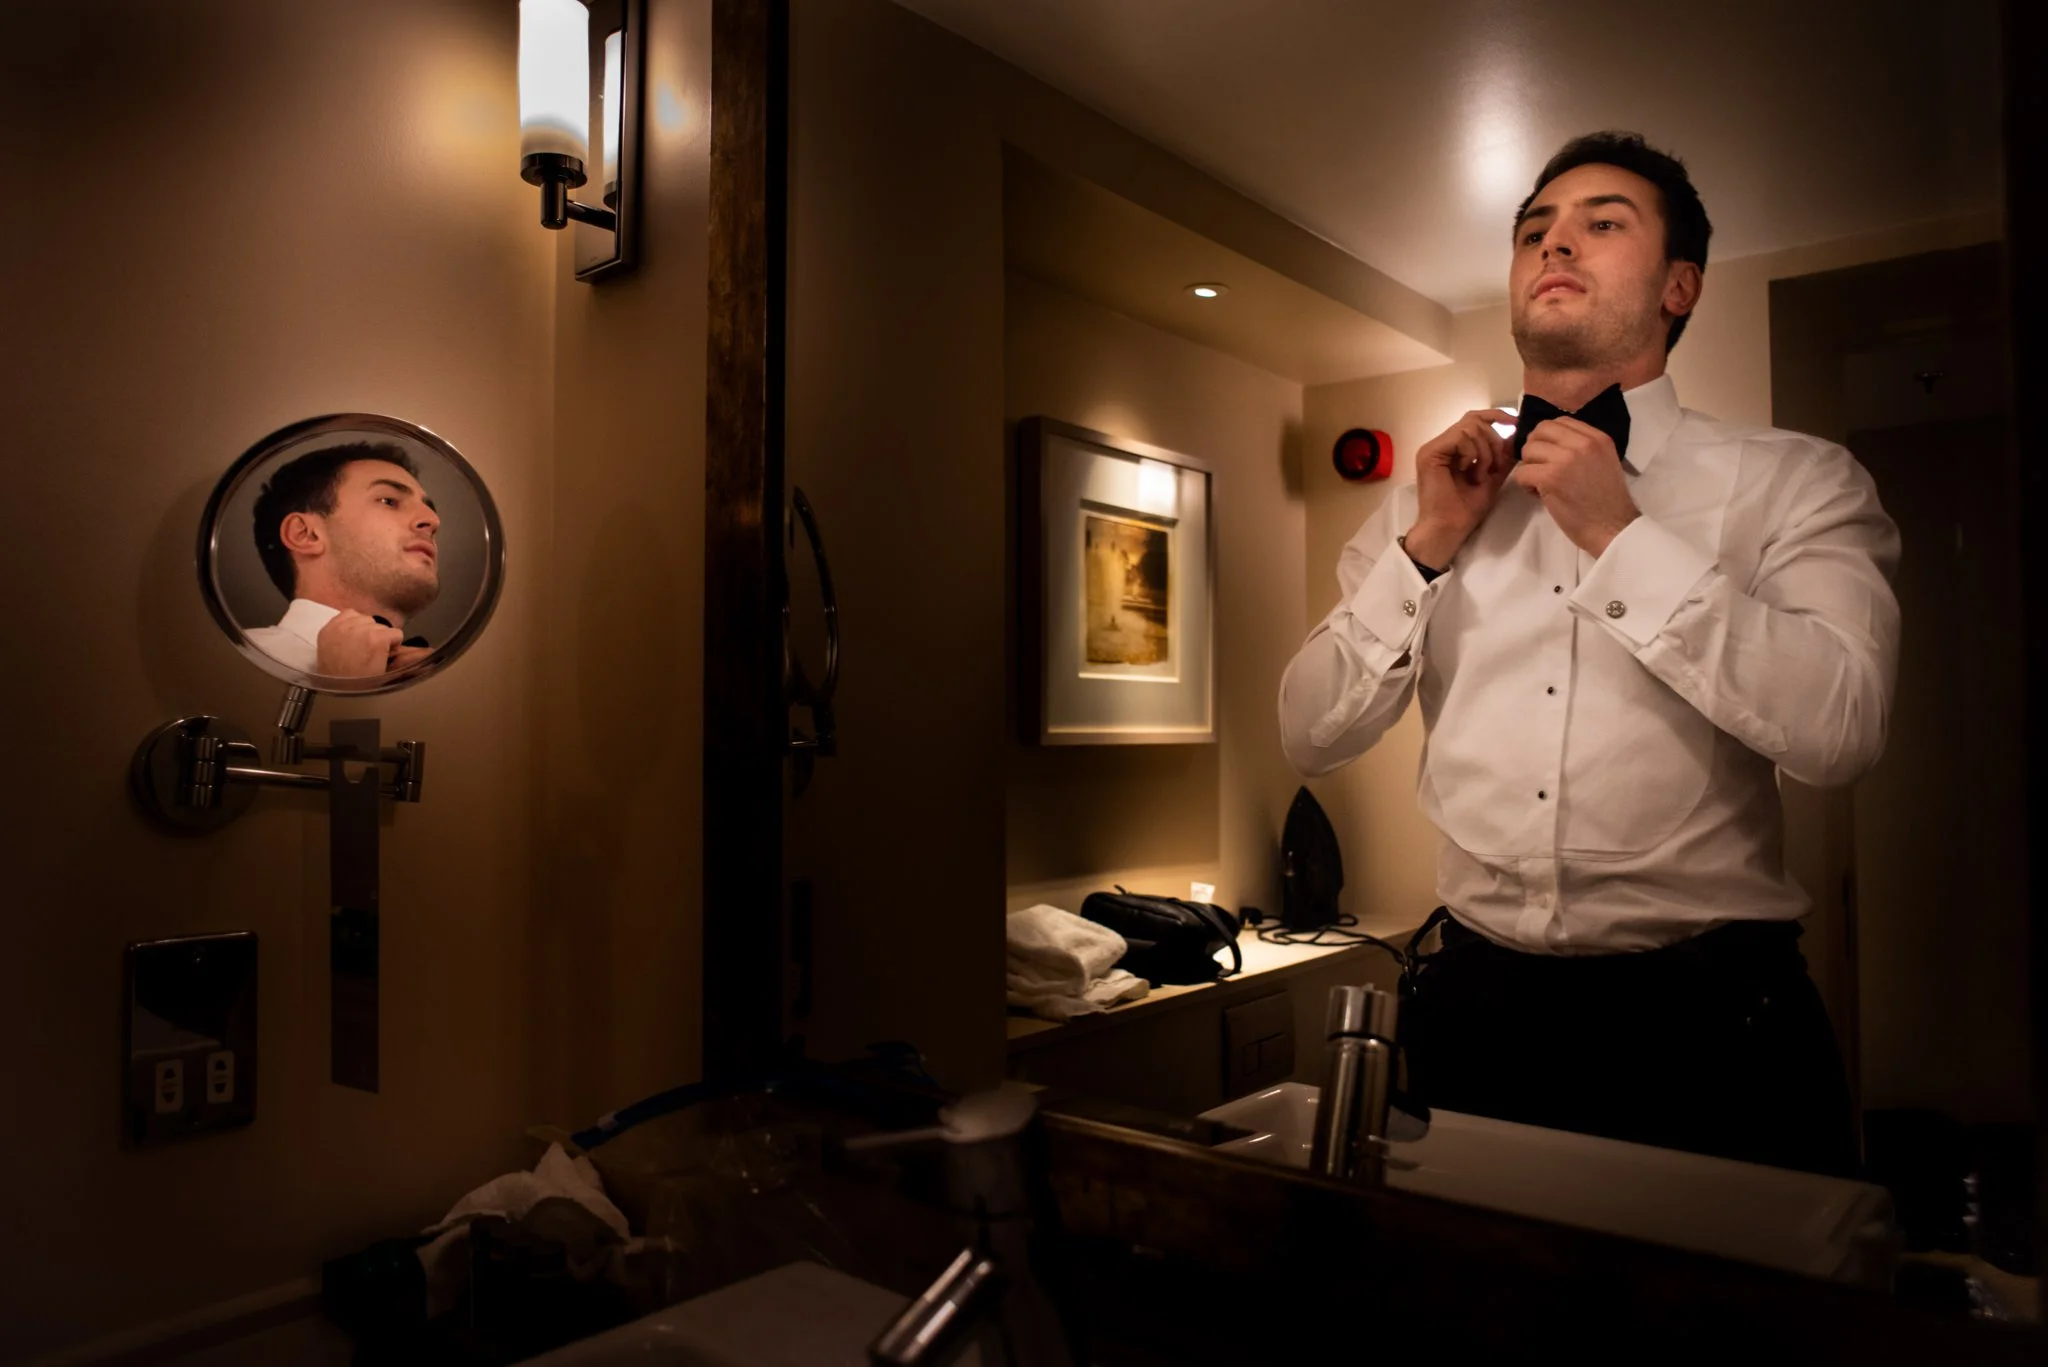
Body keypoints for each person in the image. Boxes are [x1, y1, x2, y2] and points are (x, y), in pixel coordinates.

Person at [1277, 132, 1900, 1176]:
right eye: (1534, 229)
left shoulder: (1795, 481)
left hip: (1714, 1027)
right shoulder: (1420, 503)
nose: (1553, 241)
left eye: (1601, 222)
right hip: (1471, 1015)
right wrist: (1425, 548)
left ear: (1677, 284)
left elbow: (1841, 729)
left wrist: (1625, 539)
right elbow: (1307, 731)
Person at [244, 443, 442, 677]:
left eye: (429, 508)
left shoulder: (461, 686)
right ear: (306, 534)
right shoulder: (222, 663)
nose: (433, 520)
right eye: (389, 501)